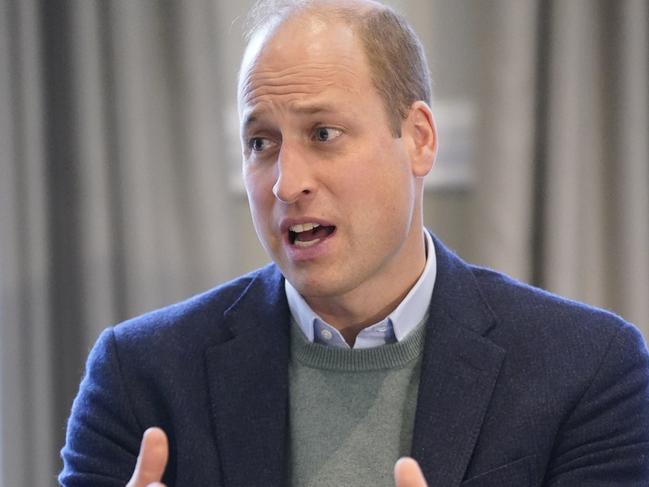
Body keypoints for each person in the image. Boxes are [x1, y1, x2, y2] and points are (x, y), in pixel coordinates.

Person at [60, 0, 649, 486]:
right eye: (260, 143)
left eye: (324, 133)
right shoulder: (138, 378)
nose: (288, 182)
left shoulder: (588, 370)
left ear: (418, 139)